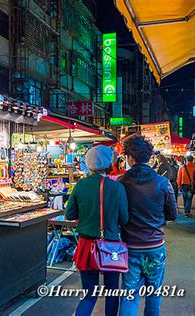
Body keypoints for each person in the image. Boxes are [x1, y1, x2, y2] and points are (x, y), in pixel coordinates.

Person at [65, 145, 129, 316]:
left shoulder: (81, 185)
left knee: (89, 295)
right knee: (112, 294)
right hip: (111, 246)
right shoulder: (117, 188)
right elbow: (124, 219)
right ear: (108, 163)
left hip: (86, 246)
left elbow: (70, 214)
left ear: (89, 164)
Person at [118, 134, 177, 316]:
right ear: (150, 157)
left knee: (129, 295)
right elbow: (172, 214)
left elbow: (117, 215)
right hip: (154, 247)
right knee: (154, 293)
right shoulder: (162, 182)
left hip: (130, 247)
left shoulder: (121, 182)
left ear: (129, 158)